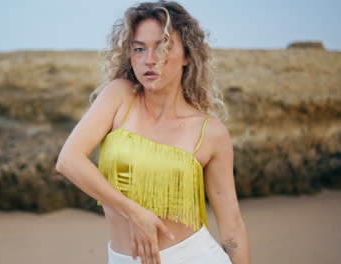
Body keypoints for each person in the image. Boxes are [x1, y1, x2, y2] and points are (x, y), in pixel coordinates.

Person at [56, 1, 250, 263]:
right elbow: (69, 160)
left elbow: (232, 226)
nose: (149, 60)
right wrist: (134, 212)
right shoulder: (120, 95)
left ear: (187, 55)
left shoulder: (210, 133)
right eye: (139, 48)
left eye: (163, 47)